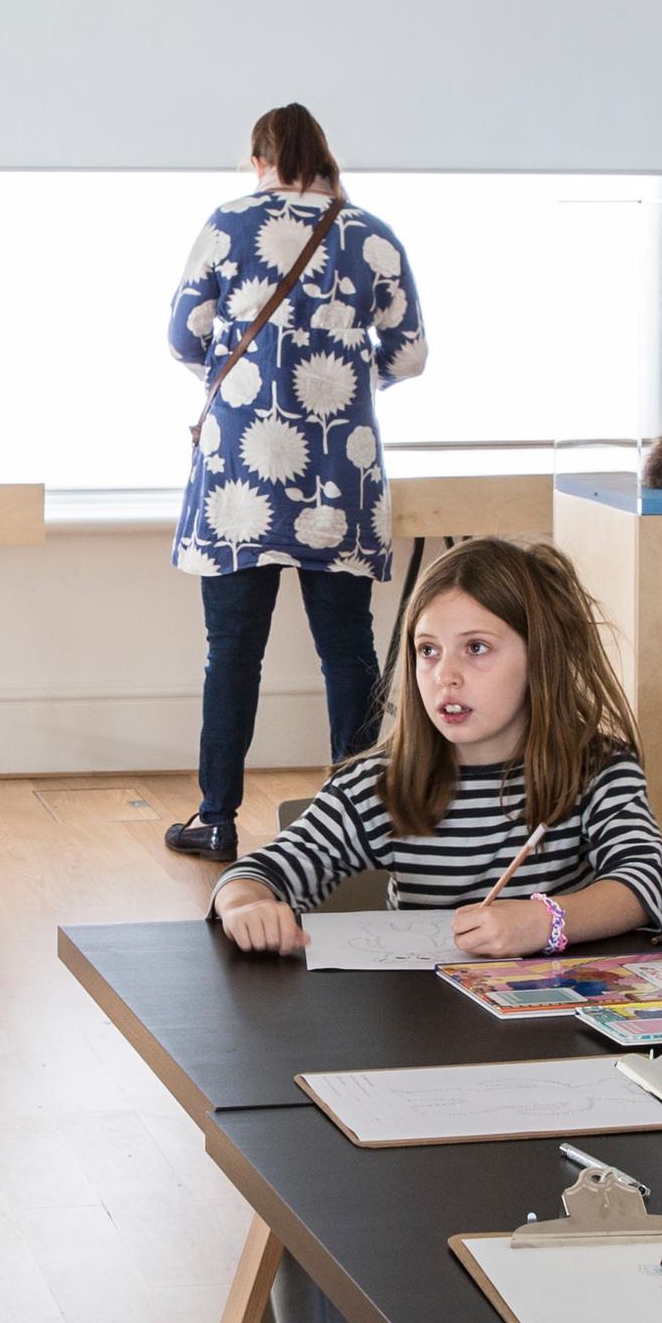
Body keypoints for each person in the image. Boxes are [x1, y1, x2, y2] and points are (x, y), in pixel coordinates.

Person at [207, 537, 662, 1323]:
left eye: (478, 648)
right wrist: (247, 902)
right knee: (315, 1206)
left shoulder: (596, 769)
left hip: (554, 1083)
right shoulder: (388, 778)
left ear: (546, 657)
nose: (445, 675)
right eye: (427, 651)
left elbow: (642, 882)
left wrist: (546, 919)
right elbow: (259, 871)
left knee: (564, 1199)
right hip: (414, 1074)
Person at [161, 103, 427, 863]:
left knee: (231, 651)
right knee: (348, 650)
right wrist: (347, 380)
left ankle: (216, 819)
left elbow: (184, 335)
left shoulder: (227, 225)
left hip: (240, 470)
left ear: (259, 160)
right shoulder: (369, 233)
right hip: (339, 470)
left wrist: (239, 374)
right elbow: (407, 356)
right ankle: (364, 822)